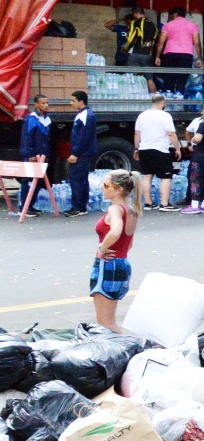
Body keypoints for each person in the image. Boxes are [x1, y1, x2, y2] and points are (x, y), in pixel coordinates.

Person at [90, 170, 139, 328]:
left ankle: (125, 350)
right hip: (121, 263)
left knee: (105, 325)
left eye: (106, 185)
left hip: (108, 265)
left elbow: (116, 231)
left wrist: (102, 247)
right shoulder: (131, 211)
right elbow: (129, 243)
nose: (102, 188)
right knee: (109, 322)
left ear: (118, 189)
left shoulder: (115, 209)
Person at [133, 93, 180, 211]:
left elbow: (137, 133)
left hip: (144, 149)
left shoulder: (142, 115)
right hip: (160, 149)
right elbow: (171, 134)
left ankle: (148, 203)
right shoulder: (165, 116)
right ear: (163, 102)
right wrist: (177, 148)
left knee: (147, 175)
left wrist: (136, 148)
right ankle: (164, 204)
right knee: (166, 177)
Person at [17, 93, 51, 218]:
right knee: (28, 180)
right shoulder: (31, 118)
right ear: (36, 104)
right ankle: (24, 207)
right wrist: (29, 154)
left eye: (47, 103)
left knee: (38, 181)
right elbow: (26, 137)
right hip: (32, 154)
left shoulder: (47, 119)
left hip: (42, 155)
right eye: (42, 103)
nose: (45, 105)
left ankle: (31, 205)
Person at [64, 90, 96, 218]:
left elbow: (83, 137)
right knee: (81, 179)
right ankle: (81, 205)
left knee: (77, 179)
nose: (71, 103)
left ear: (81, 101)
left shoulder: (86, 115)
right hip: (83, 153)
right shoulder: (83, 114)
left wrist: (75, 153)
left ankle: (78, 206)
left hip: (82, 153)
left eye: (73, 100)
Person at [155, 6, 199, 94]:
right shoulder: (193, 25)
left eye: (171, 15)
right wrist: (199, 58)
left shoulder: (167, 25)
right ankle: (179, 99)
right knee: (182, 79)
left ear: (175, 14)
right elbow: (197, 43)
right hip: (187, 54)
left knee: (170, 78)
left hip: (170, 54)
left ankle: (169, 98)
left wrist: (157, 57)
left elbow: (161, 42)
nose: (170, 17)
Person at [106, 6, 157, 72]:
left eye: (130, 23)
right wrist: (120, 19)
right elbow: (107, 25)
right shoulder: (121, 28)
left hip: (133, 55)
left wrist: (126, 48)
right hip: (121, 56)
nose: (129, 25)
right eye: (127, 23)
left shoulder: (138, 28)